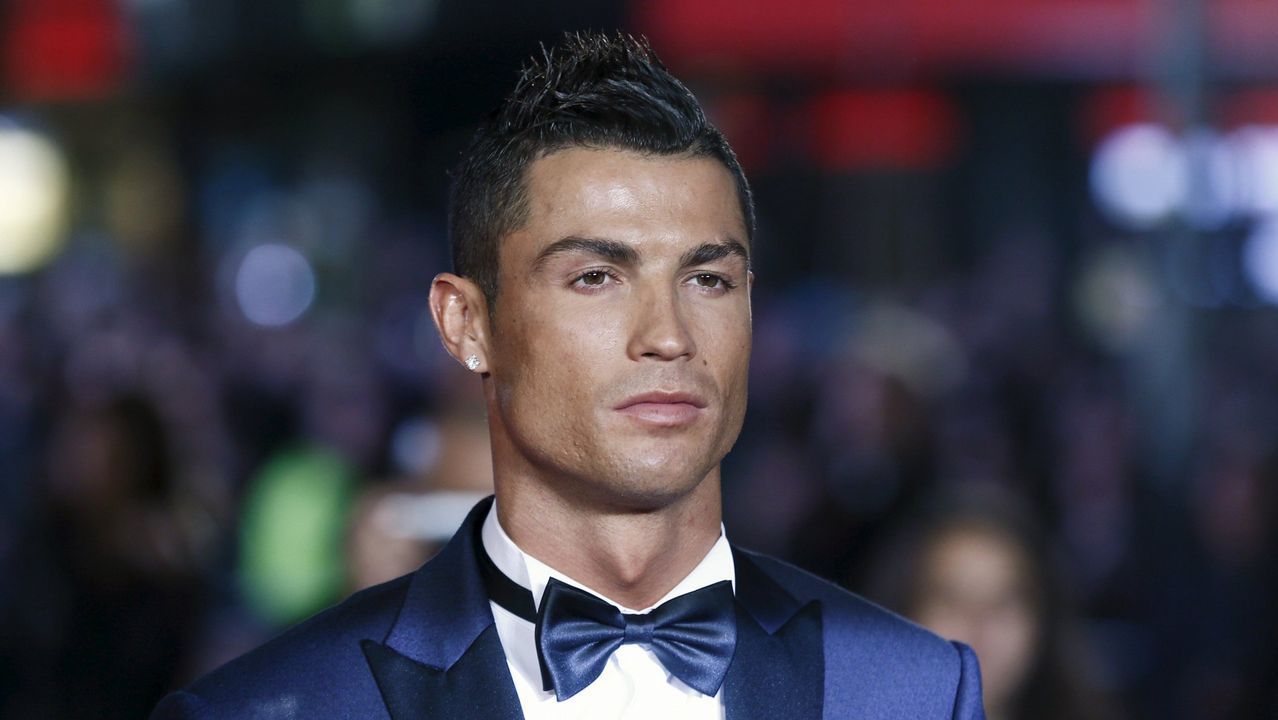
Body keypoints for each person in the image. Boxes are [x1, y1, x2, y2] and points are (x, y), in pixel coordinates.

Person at [152, 32, 984, 719]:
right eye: (596, 277)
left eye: (708, 280)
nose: (669, 337)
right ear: (466, 324)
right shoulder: (275, 708)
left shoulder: (913, 692)